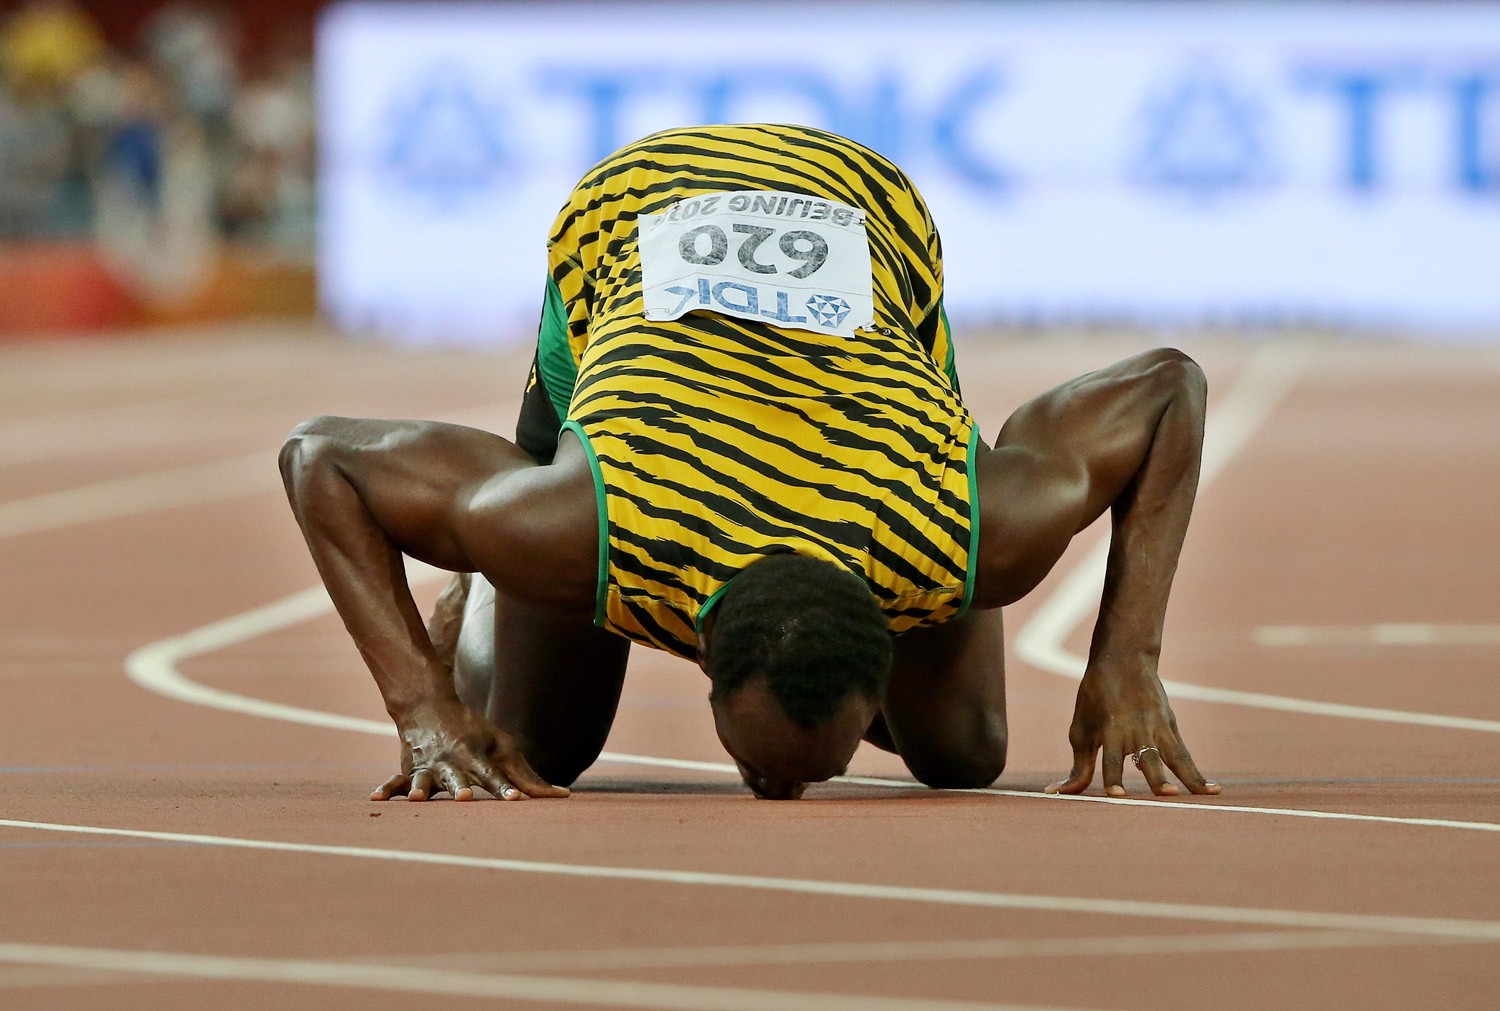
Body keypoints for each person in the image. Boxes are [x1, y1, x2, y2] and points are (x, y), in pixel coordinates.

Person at [281, 123, 1221, 803]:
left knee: (964, 755)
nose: (783, 792)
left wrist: (1126, 660)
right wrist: (426, 708)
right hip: (631, 214)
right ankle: (482, 581)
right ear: (703, 661)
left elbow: (1168, 387)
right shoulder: (585, 523)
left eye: (800, 770)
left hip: (863, 213)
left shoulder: (956, 530)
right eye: (769, 764)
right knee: (539, 746)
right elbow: (320, 456)